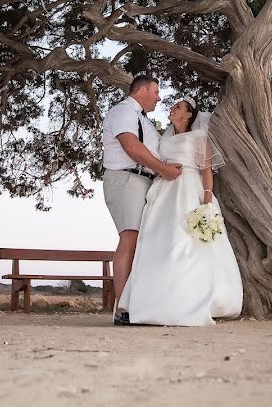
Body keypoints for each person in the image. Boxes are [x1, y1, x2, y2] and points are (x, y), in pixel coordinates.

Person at [117, 96, 243, 326]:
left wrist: (206, 196)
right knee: (160, 241)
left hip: (189, 188)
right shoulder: (163, 137)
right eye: (173, 106)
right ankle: (154, 301)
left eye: (178, 107)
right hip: (164, 189)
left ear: (188, 114)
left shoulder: (199, 136)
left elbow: (206, 169)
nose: (172, 109)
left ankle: (189, 299)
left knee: (186, 242)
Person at [102, 74, 182, 325]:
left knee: (141, 244)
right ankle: (121, 309)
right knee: (130, 240)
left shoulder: (144, 120)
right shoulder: (123, 111)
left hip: (144, 182)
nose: (159, 98)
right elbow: (131, 147)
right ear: (143, 90)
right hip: (127, 179)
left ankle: (136, 303)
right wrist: (163, 170)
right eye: (156, 92)